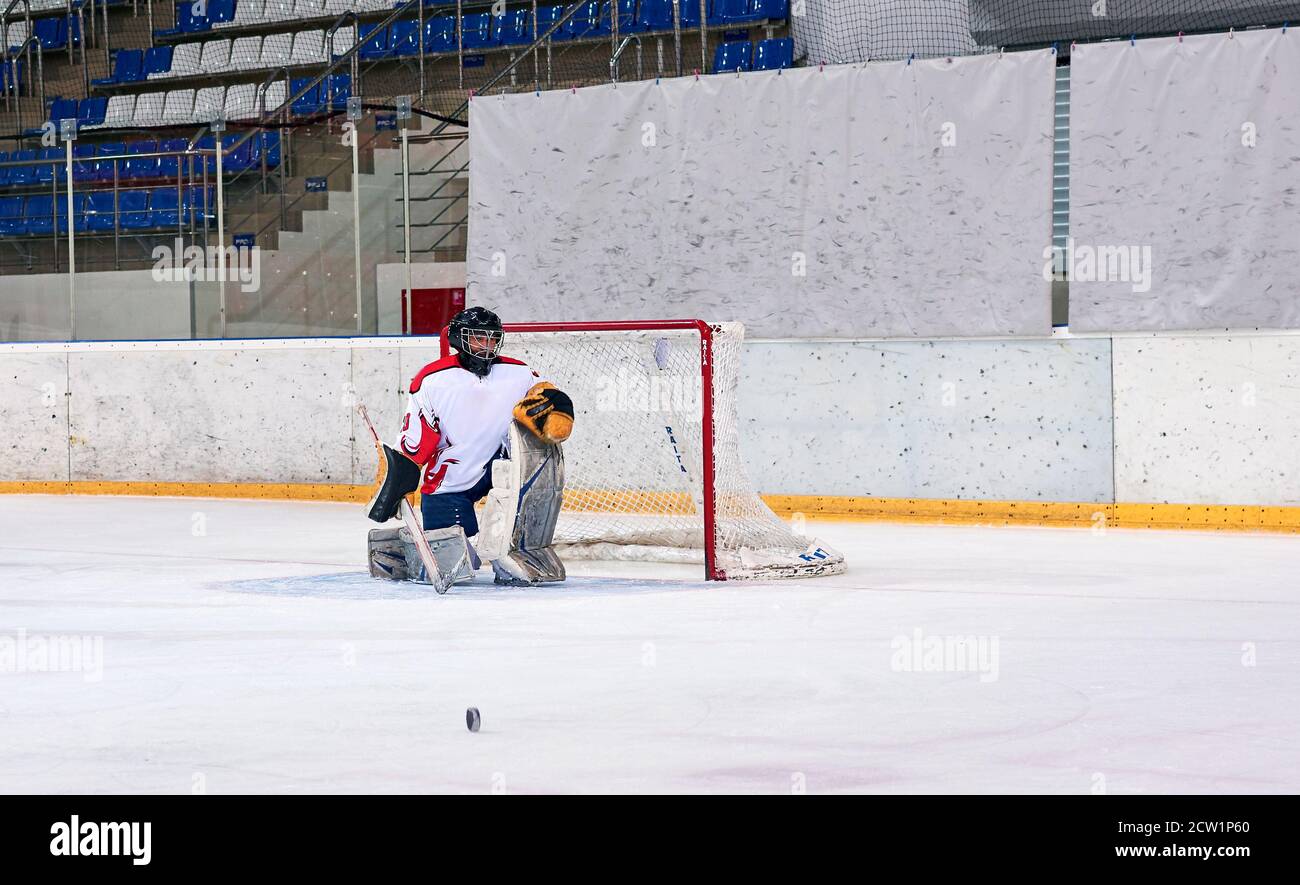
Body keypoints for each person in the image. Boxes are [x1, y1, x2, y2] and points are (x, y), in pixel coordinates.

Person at [367, 305, 573, 544]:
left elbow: (546, 394)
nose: (486, 346)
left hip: (506, 474)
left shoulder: (518, 373)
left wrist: (559, 407)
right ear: (458, 339)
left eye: (492, 338)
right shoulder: (433, 380)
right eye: (478, 338)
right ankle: (407, 550)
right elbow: (415, 441)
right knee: (456, 555)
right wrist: (399, 480)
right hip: (451, 480)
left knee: (515, 546)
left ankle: (517, 551)